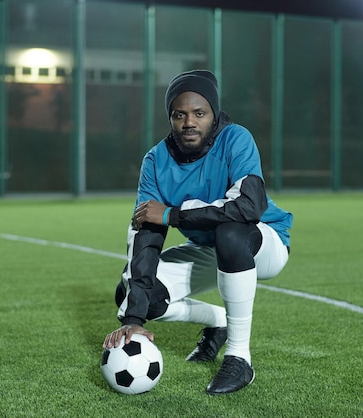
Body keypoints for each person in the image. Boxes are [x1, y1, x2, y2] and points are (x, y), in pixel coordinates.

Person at [103, 69, 293, 395]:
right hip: (210, 246)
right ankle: (217, 320)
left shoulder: (236, 139)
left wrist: (174, 215)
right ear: (171, 118)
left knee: (231, 231)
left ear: (213, 114)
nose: (189, 122)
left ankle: (239, 358)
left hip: (263, 240)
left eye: (199, 113)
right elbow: (147, 232)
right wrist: (134, 318)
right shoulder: (155, 160)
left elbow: (249, 207)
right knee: (133, 294)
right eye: (180, 115)